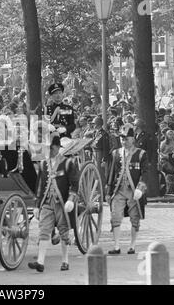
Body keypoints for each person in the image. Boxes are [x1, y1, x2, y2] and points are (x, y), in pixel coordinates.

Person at [28, 133, 80, 272]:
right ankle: (40, 262)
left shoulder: (67, 163)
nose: (48, 151)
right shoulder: (44, 163)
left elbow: (75, 185)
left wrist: (71, 200)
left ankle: (65, 261)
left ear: (57, 147)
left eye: (50, 148)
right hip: (47, 202)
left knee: (63, 231)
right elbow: (39, 186)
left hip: (62, 203)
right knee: (44, 230)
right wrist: (37, 205)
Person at [106, 124, 148, 255]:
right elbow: (111, 172)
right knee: (115, 217)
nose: (123, 141)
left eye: (126, 138)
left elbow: (145, 173)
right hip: (119, 190)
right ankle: (117, 245)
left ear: (133, 139)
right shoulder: (115, 153)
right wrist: (108, 192)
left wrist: (140, 189)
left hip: (133, 191)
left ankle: (132, 245)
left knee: (135, 218)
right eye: (122, 138)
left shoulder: (141, 154)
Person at [91, 116, 110, 183]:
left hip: (100, 154)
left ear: (98, 124)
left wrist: (104, 159)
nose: (93, 125)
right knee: (95, 172)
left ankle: (102, 189)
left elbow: (106, 147)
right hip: (94, 153)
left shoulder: (104, 134)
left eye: (94, 124)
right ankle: (97, 188)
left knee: (100, 172)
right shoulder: (95, 133)